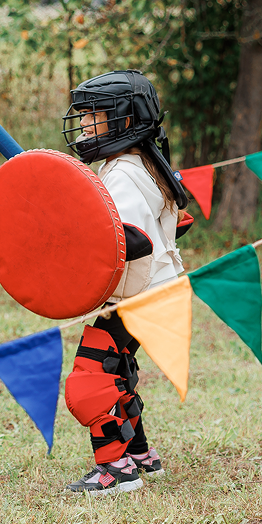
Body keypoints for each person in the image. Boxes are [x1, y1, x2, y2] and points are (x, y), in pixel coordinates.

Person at [59, 69, 193, 495]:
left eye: (92, 116)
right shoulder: (148, 161)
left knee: (90, 380)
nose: (83, 125)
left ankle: (116, 470)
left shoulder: (119, 172)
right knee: (119, 371)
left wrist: (75, 238)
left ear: (122, 119)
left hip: (134, 295)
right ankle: (139, 453)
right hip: (158, 290)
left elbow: (128, 238)